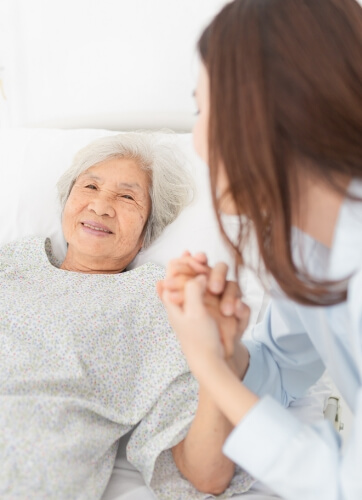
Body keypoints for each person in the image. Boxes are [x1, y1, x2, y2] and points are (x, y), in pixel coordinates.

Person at [159, 0, 362, 499]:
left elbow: (342, 485)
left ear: (265, 114)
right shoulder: (299, 243)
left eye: (202, 109)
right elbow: (287, 365)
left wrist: (206, 366)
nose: (197, 142)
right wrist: (229, 353)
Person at [0, 132, 254, 499]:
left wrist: (220, 358)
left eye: (127, 196)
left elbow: (205, 477)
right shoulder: (11, 262)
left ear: (145, 236)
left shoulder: (155, 303)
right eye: (90, 186)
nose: (100, 206)